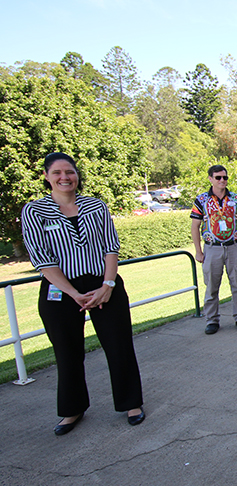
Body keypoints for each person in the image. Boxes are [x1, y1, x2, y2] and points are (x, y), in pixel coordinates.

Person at [21, 152, 145, 435]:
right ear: (47, 177)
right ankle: (72, 409)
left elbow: (110, 248)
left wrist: (107, 286)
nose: (65, 177)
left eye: (70, 171)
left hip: (104, 284)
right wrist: (73, 293)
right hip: (60, 290)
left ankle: (131, 403)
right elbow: (42, 259)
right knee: (67, 352)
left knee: (119, 345)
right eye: (57, 173)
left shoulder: (96, 206)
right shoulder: (34, 211)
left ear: (77, 175)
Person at [192, 164, 237, 334]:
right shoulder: (202, 200)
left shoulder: (236, 199)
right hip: (212, 249)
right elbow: (194, 226)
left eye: (225, 177)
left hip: (233, 247)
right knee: (211, 285)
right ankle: (212, 320)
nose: (222, 180)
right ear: (210, 179)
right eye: (218, 177)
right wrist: (198, 251)